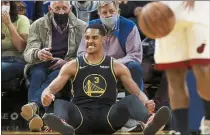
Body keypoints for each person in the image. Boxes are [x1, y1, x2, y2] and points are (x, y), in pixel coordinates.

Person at [41, 24, 170, 135]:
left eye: (95, 37)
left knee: (130, 99)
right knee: (60, 103)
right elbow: (50, 89)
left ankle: (149, 122)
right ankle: (62, 124)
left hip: (109, 119)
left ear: (104, 39)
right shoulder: (73, 65)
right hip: (80, 119)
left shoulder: (116, 65)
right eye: (87, 38)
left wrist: (147, 102)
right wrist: (45, 97)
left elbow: (137, 92)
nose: (90, 41)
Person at [20, 1, 87, 132]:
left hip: (66, 65)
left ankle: (34, 109)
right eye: (57, 8)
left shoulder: (82, 26)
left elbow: (84, 55)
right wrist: (38, 53)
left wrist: (67, 62)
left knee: (58, 74)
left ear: (70, 8)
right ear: (50, 9)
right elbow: (27, 53)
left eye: (64, 8)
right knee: (38, 74)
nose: (61, 12)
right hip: (40, 63)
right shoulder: (37, 25)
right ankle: (37, 115)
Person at [144, 1, 210, 134]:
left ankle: (208, 121)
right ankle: (182, 130)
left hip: (197, 12)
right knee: (174, 77)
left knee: (203, 70)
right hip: (166, 12)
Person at [77, 1, 144, 92]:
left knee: (134, 67)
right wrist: (96, 63)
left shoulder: (129, 26)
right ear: (99, 14)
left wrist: (112, 63)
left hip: (121, 66)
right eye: (104, 12)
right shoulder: (90, 26)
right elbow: (82, 52)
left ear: (118, 12)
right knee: (79, 66)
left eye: (112, 11)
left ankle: (134, 102)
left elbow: (134, 55)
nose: (108, 15)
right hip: (96, 65)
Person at [1, 1, 30, 85]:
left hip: (15, 59)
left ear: (11, 5)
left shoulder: (22, 19)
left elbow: (21, 47)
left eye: (5, 3)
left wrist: (8, 23)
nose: (2, 6)